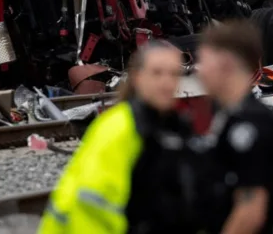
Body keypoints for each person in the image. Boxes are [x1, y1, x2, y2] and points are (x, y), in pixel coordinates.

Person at [39, 41, 199, 233]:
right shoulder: (119, 127)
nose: (166, 82)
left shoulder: (171, 126)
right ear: (138, 78)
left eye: (173, 74)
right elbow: (92, 208)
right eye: (157, 73)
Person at [194, 18, 273, 234]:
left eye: (204, 61)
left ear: (225, 63)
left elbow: (250, 211)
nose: (199, 70)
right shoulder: (227, 115)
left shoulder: (252, 124)